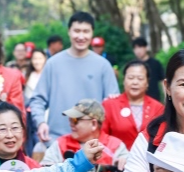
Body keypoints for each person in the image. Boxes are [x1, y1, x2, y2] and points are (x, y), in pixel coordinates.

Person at [30, 12, 121, 145]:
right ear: (69, 32)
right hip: (57, 141)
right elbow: (37, 99)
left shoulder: (103, 65)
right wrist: (40, 122)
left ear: (92, 33)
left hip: (93, 143)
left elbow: (112, 104)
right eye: (76, 31)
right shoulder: (53, 63)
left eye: (86, 31)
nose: (81, 36)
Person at [102, 60, 164, 146]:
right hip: (117, 157)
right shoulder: (109, 105)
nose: (135, 82)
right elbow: (102, 136)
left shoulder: (158, 108)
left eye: (140, 78)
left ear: (147, 83)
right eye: (131, 78)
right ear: (124, 80)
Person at [132, 36, 165, 101]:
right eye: (135, 48)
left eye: (140, 47)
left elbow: (163, 81)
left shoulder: (155, 63)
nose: (138, 50)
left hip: (154, 99)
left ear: (146, 48)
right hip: (137, 100)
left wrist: (166, 96)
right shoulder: (132, 65)